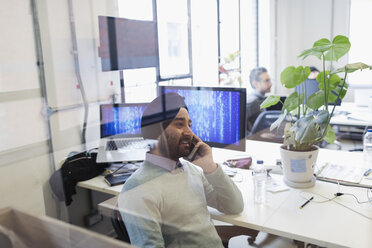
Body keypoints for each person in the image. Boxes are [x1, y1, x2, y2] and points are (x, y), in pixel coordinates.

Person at [118, 93, 244, 248]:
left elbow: (234, 206)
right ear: (155, 132)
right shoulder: (137, 187)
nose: (190, 133)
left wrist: (210, 167)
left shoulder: (191, 170)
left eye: (189, 125)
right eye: (179, 125)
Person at [246, 67, 272, 132]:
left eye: (270, 80)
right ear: (255, 84)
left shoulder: (259, 99)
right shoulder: (252, 102)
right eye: (267, 81)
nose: (271, 84)